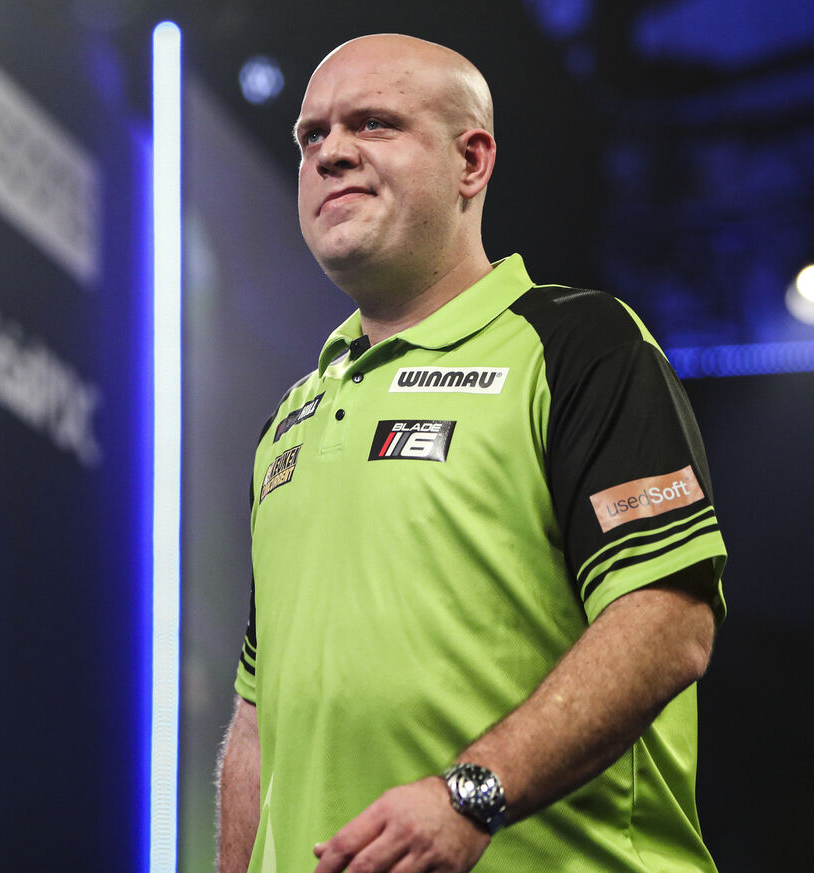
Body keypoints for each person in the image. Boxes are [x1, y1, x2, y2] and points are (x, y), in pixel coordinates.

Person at [217, 33, 728, 873]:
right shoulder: (290, 420)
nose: (330, 152)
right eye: (312, 135)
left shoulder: (579, 345)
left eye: (373, 123)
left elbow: (669, 622)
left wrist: (472, 794)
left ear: (471, 160)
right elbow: (256, 719)